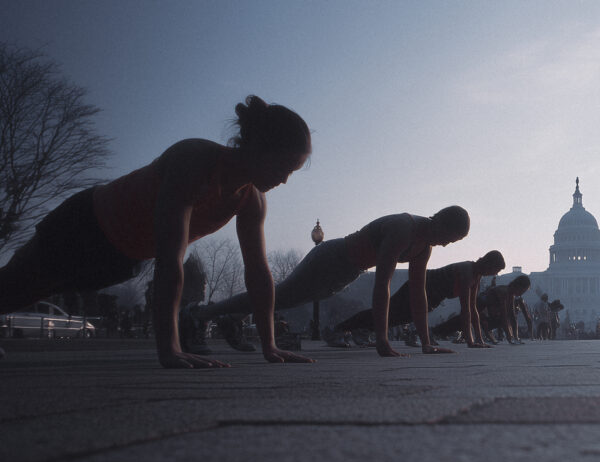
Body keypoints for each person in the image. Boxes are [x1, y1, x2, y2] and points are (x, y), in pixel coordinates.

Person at [0, 95, 313, 368]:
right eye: (281, 166)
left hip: (121, 257)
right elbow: (170, 257)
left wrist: (269, 345)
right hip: (83, 224)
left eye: (292, 172)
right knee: (15, 283)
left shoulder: (252, 201)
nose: (284, 180)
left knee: (33, 292)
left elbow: (258, 273)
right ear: (257, 146)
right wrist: (169, 349)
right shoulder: (194, 159)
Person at [185, 206, 471, 357]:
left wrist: (425, 343)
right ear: (440, 223)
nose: (447, 245)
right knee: (278, 294)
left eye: (453, 243)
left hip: (347, 271)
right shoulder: (404, 228)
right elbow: (382, 284)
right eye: (450, 238)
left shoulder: (426, 246)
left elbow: (417, 294)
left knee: (281, 299)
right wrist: (382, 340)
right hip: (331, 257)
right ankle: (201, 314)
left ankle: (231, 316)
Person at [333, 250, 505, 348]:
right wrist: (471, 341)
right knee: (389, 312)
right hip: (419, 286)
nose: (494, 275)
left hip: (432, 295)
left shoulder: (477, 276)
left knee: (397, 317)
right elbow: (466, 309)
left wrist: (479, 340)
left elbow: (473, 308)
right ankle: (340, 329)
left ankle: (361, 330)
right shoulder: (468, 271)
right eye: (495, 270)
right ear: (487, 264)